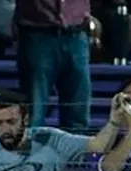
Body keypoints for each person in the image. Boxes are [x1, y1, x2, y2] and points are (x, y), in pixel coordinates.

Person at [15, 0, 92, 131]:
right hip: (38, 34)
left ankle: (76, 151)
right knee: (34, 111)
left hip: (77, 34)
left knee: (78, 112)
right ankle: (30, 150)